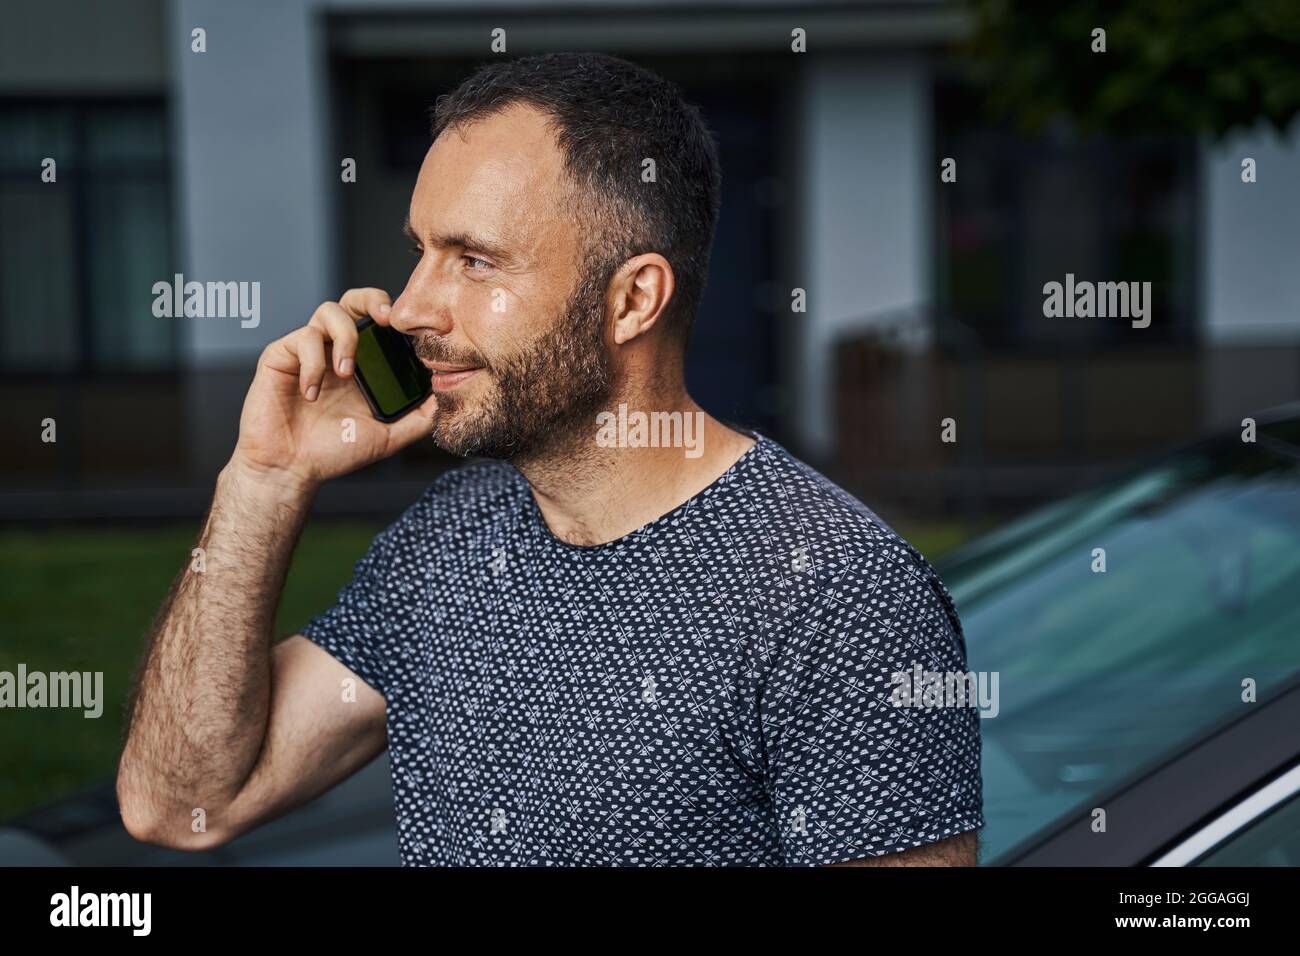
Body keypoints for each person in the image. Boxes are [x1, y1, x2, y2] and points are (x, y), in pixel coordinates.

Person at [118, 52, 983, 866]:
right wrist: (265, 479)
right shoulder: (446, 544)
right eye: (421, 252)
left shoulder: (836, 596)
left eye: (474, 260)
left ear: (633, 299)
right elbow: (180, 803)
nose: (413, 307)